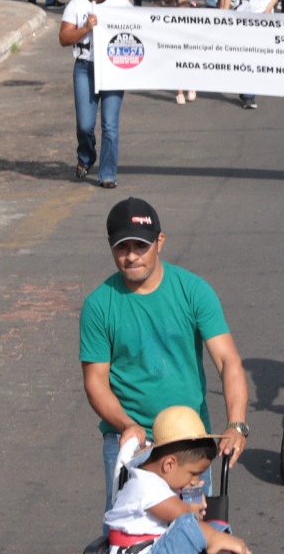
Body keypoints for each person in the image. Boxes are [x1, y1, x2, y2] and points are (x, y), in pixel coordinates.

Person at [81, 197, 251, 507]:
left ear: (160, 242)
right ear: (110, 246)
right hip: (133, 443)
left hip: (189, 440)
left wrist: (236, 424)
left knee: (196, 533)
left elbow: (228, 361)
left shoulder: (193, 291)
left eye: (140, 246)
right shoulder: (99, 305)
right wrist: (126, 425)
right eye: (122, 248)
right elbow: (95, 383)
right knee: (128, 537)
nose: (131, 257)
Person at [102, 406, 251, 554]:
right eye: (193, 474)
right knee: (190, 526)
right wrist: (194, 507)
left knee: (215, 526)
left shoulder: (156, 476)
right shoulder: (145, 486)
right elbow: (184, 516)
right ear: (169, 464)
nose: (196, 481)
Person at [60, 0, 134, 188]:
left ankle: (108, 174)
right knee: (85, 125)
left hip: (113, 69)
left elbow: (140, 28)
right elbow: (64, 38)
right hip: (85, 68)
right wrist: (85, 28)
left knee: (110, 125)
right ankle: (86, 157)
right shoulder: (76, 5)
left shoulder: (121, 3)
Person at [220, 0, 283, 109]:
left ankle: (249, 91)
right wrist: (225, 11)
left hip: (264, 14)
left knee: (258, 55)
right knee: (244, 55)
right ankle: (248, 92)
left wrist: (269, 7)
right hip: (242, 14)